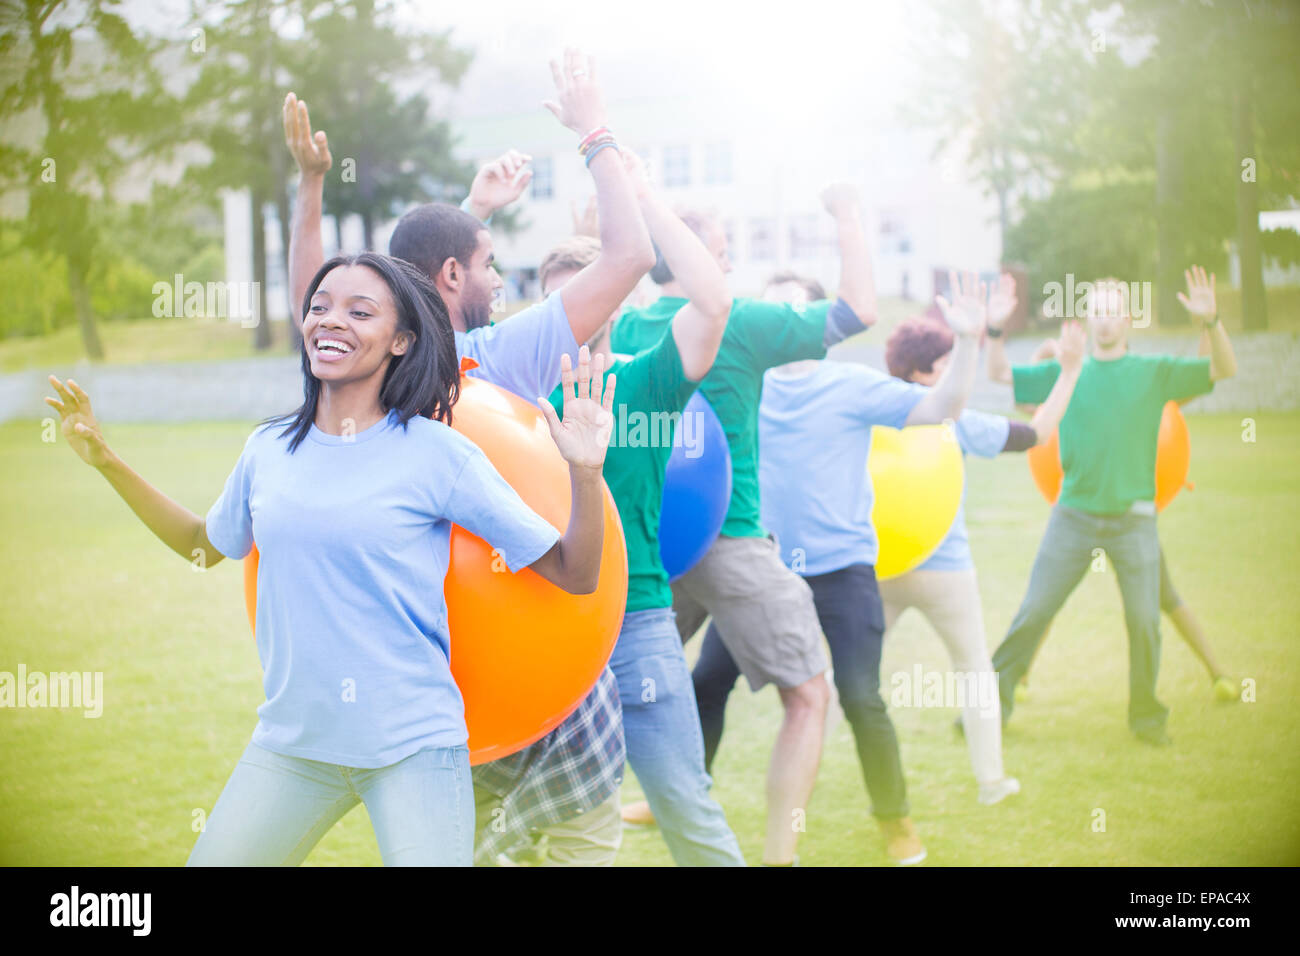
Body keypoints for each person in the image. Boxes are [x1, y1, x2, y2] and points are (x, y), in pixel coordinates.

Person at [45, 252, 616, 865]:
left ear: (401, 341)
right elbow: (200, 546)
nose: (330, 320)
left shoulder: (437, 454)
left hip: (413, 748)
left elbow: (576, 573)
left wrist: (584, 471)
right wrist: (106, 461)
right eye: (319, 306)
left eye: (358, 310)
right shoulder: (268, 449)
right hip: (294, 744)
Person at [686, 270, 995, 865]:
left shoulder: (852, 386)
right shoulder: (739, 387)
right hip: (764, 570)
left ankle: (895, 820)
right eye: (774, 312)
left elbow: (944, 405)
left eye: (798, 312)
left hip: (845, 573)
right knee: (707, 682)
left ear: (819, 326)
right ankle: (683, 797)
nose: (786, 324)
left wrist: (971, 342)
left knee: (859, 695)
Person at [609, 184, 876, 866]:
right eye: (720, 256)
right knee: (809, 695)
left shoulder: (621, 329)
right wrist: (847, 217)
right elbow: (857, 312)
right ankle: (780, 857)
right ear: (696, 261)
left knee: (614, 689)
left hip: (644, 550)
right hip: (729, 539)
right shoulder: (742, 321)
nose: (725, 270)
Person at [535, 148, 744, 866]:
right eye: (562, 298)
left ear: (617, 300)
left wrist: (648, 202)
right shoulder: (509, 394)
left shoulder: (647, 379)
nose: (578, 312)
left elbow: (713, 302)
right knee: (516, 823)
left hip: (636, 624)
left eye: (593, 293)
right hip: (539, 627)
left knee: (686, 808)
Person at [282, 48, 655, 405]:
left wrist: (312, 180)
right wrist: (594, 132)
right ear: (452, 273)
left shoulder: (382, 353)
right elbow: (630, 256)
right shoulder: (500, 356)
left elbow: (310, 302)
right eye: (488, 264)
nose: (497, 281)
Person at [984, 267, 1238, 745]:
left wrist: (1212, 321)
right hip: (1073, 515)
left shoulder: (1153, 372)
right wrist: (995, 328)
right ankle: (992, 706)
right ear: (1087, 318)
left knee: (1144, 621)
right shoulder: (1068, 372)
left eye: (1112, 312)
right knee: (1035, 610)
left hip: (1134, 520)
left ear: (1127, 319)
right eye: (1095, 312)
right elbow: (998, 372)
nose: (1103, 321)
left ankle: (1146, 716)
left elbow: (1224, 368)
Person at [875, 283, 1087, 805]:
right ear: (923, 373)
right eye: (947, 363)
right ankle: (992, 783)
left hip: (881, 568)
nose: (955, 374)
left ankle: (806, 779)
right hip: (944, 570)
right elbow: (1037, 434)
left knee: (851, 678)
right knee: (974, 672)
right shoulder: (954, 419)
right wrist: (1072, 372)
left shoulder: (870, 413)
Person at [1010, 338, 1239, 705]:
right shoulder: (1073, 386)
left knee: (1161, 598)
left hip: (1130, 519)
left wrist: (1207, 331)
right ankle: (1020, 675)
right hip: (1081, 514)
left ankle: (1217, 672)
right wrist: (1045, 355)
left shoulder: (1145, 387)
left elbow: (1197, 380)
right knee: (1047, 600)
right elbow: (1028, 405)